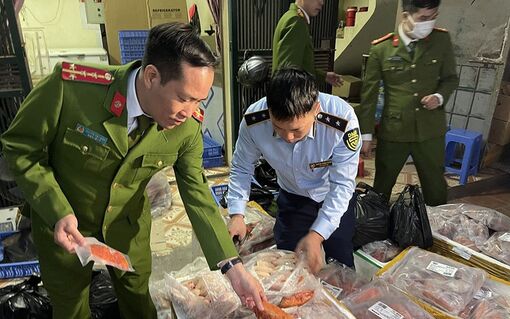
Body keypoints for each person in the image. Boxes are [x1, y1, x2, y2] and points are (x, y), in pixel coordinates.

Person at [1, 22, 265, 319]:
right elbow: (20, 148)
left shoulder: (186, 128)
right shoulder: (71, 90)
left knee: (139, 304)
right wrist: (56, 209)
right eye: (184, 98)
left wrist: (233, 267)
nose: (190, 112)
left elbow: (197, 193)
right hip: (65, 230)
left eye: (199, 101)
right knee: (70, 307)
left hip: (128, 230)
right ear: (152, 76)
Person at [227, 68, 360, 273]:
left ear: (316, 109)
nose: (288, 137)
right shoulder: (254, 121)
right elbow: (242, 167)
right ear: (269, 110)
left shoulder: (341, 121)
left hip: (332, 197)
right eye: (278, 128)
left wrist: (317, 235)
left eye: (297, 130)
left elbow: (342, 185)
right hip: (292, 197)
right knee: (287, 265)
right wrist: (237, 213)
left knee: (339, 261)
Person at [357, 0, 459, 206]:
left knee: (436, 188)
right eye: (423, 18)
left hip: (430, 131)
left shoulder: (441, 40)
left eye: (433, 17)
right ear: (406, 16)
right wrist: (365, 135)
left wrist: (438, 97)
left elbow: (450, 78)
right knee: (382, 187)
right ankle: (376, 227)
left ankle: (438, 232)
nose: (429, 23)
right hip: (394, 131)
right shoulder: (382, 49)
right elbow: (369, 95)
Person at [272, 0, 343, 87]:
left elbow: (300, 67)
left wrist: (324, 76)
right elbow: (287, 75)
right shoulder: (296, 22)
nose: (322, 3)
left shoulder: (292, 17)